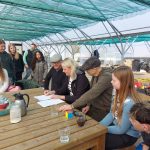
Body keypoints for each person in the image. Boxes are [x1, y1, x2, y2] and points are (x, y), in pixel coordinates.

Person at [100, 66, 143, 150]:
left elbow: (121, 129)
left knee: (99, 141)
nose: (111, 82)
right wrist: (99, 125)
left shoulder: (130, 103)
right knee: (95, 136)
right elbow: (111, 113)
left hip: (128, 135)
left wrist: (102, 129)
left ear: (123, 82)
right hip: (117, 127)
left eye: (114, 80)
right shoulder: (118, 94)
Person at [59, 56, 113, 121]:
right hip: (93, 107)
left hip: (102, 110)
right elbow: (91, 90)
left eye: (87, 70)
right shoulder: (95, 74)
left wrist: (72, 106)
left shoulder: (106, 77)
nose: (86, 72)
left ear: (95, 68)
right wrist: (88, 105)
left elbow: (93, 92)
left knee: (93, 127)